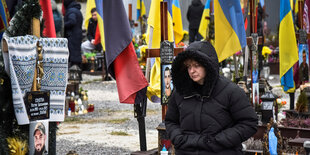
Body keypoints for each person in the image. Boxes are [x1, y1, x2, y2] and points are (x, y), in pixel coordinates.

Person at [165, 41, 257, 154]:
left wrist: (218, 141)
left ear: (207, 65)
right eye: (188, 66)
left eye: (196, 65)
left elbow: (249, 123)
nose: (192, 71)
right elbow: (171, 121)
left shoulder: (231, 91)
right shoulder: (180, 92)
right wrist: (179, 138)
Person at [64, 0, 83, 67]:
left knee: (73, 52)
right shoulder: (76, 10)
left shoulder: (71, 11)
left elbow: (72, 21)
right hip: (77, 34)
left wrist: (63, 25)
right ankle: (77, 67)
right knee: (76, 52)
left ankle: (74, 68)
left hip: (72, 35)